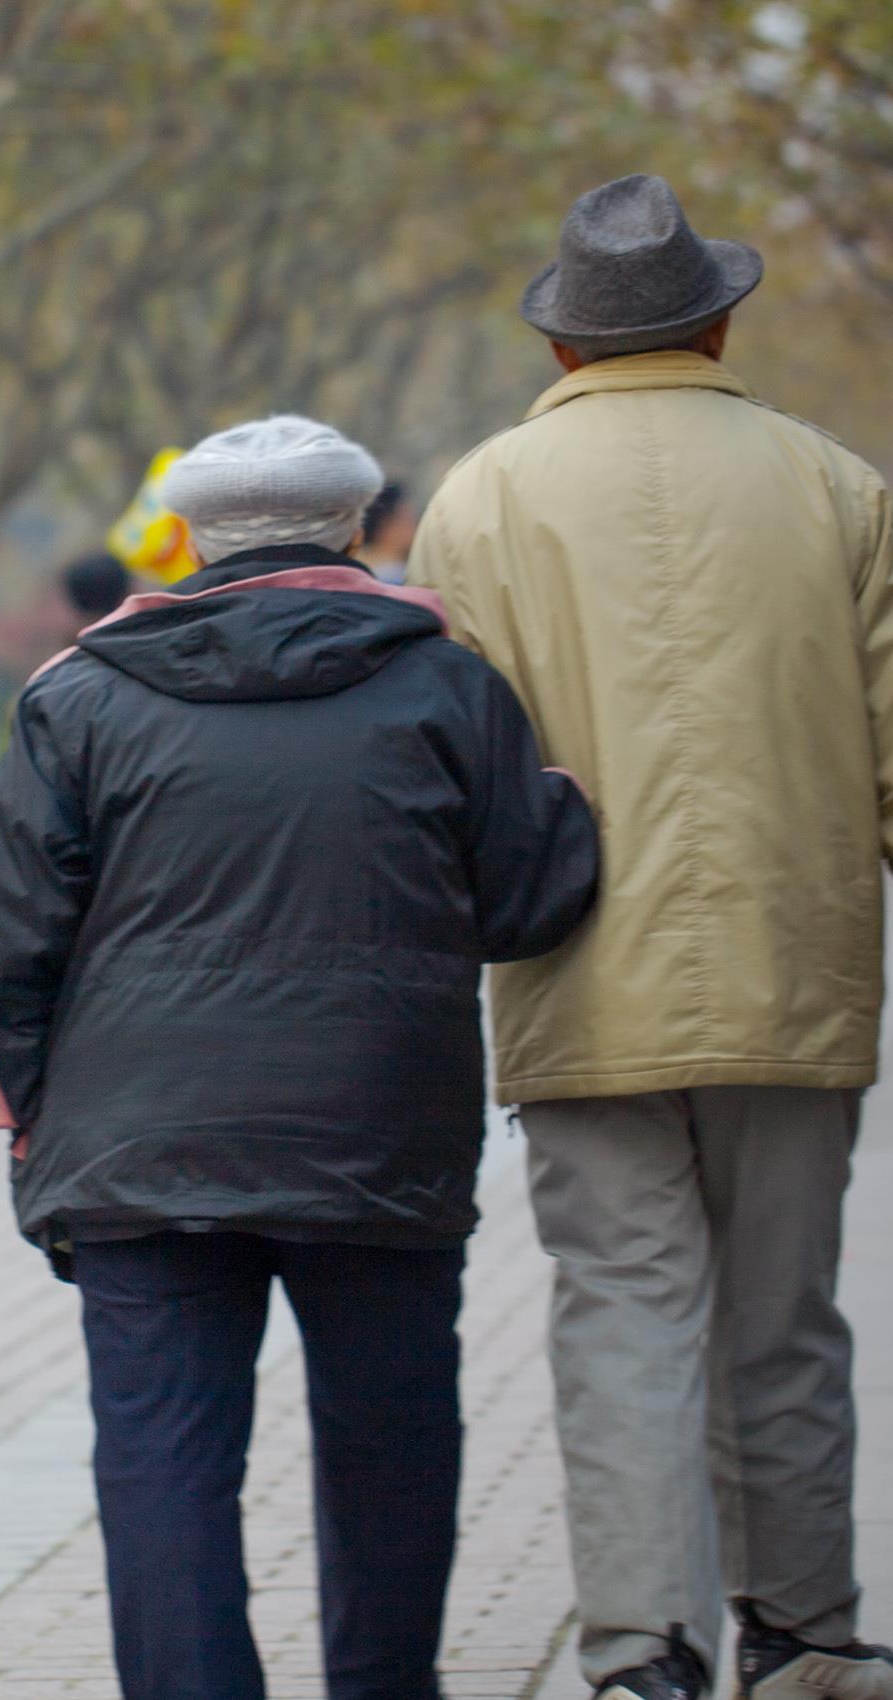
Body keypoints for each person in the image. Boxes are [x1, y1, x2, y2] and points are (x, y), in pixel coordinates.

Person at [0, 414, 600, 1700]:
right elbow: (526, 902)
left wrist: (36, 1126)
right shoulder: (449, 686)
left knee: (161, 1464)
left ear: (186, 535)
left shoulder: (76, 696)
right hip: (378, 1132)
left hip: (135, 1148)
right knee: (390, 1446)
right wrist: (565, 802)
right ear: (356, 529)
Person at [407, 174, 893, 1700]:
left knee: (618, 1306)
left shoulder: (476, 498)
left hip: (572, 970)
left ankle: (635, 1648)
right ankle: (802, 1631)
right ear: (718, 317)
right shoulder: (833, 485)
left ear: (562, 347)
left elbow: (445, 762)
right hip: (792, 962)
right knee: (784, 1315)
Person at [357, 482, 418, 584]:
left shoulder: (352, 570)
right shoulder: (398, 578)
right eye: (409, 521)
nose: (415, 530)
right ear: (387, 525)